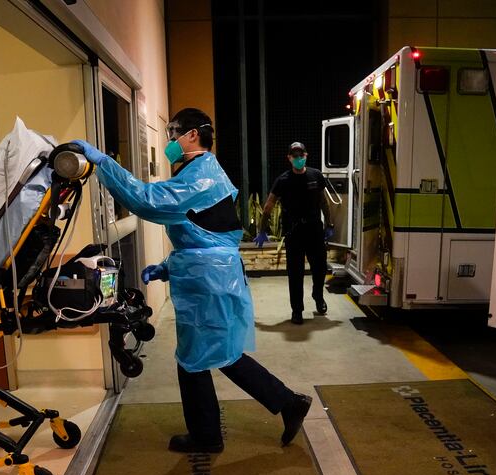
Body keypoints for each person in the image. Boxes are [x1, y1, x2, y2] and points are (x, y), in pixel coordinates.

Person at [72, 108, 312, 454]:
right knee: (221, 353)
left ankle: (208, 435)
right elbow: (205, 234)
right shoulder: (203, 173)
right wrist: (168, 266)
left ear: (193, 135)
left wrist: (102, 164)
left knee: (193, 359)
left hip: (207, 284)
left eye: (173, 135)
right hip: (211, 277)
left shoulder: (200, 175)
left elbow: (147, 200)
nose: (170, 142)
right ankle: (287, 403)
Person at [254, 142, 333, 325]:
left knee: (320, 269)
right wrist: (262, 230)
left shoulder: (316, 176)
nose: (298, 159)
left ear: (306, 155)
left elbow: (323, 202)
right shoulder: (283, 180)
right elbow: (268, 207)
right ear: (289, 158)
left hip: (314, 230)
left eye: (301, 155)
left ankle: (318, 296)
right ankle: (297, 310)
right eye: (294, 156)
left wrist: (329, 223)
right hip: (294, 232)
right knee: (295, 273)